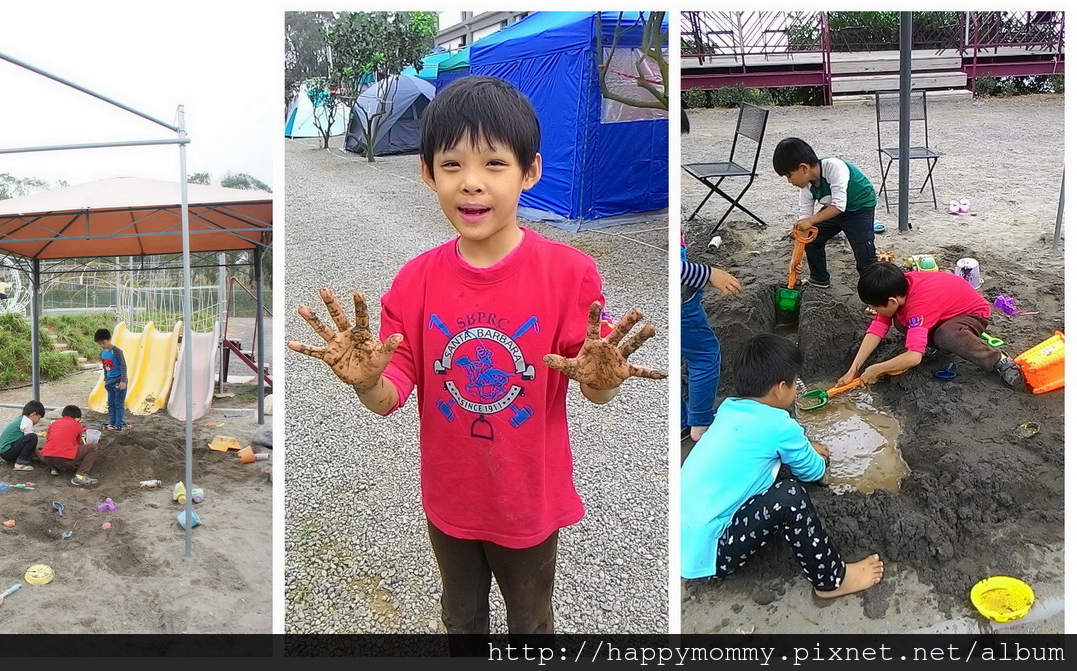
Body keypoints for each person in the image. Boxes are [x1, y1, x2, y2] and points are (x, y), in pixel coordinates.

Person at [287, 75, 666, 638]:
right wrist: (367, 381)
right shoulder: (415, 282)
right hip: (451, 497)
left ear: (530, 171)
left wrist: (603, 380)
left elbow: (593, 378)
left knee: (531, 620)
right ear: (426, 172)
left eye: (494, 164)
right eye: (451, 165)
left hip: (527, 499)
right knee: (461, 616)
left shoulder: (568, 274)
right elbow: (389, 393)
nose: (471, 184)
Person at [681, 334, 884, 598]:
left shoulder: (728, 410)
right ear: (779, 388)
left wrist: (804, 445)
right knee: (789, 496)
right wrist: (818, 457)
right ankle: (831, 580)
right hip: (711, 552)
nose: (797, 389)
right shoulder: (780, 426)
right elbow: (813, 473)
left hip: (683, 538)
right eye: (795, 383)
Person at [841, 262, 1024, 389]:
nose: (872, 310)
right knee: (902, 321)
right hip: (942, 313)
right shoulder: (896, 288)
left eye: (874, 306)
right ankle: (933, 344)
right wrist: (853, 370)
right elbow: (876, 331)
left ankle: (998, 360)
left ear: (891, 301)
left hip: (972, 313)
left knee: (946, 335)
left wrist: (876, 369)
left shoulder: (919, 305)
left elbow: (914, 358)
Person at [772, 137, 878, 289]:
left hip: (860, 207)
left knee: (864, 253)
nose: (789, 181)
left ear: (803, 168)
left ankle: (875, 294)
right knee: (811, 239)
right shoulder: (806, 188)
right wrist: (795, 260)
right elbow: (804, 226)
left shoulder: (834, 167)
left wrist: (810, 221)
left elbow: (838, 206)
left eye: (789, 175)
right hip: (833, 209)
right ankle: (819, 279)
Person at [680, 239, 742, 442]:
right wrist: (709, 274)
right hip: (682, 303)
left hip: (684, 296)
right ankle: (701, 424)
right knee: (705, 354)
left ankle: (681, 421)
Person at [41, 405, 100, 486]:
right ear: (77, 418)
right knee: (92, 447)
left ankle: (54, 468)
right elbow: (77, 443)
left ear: (62, 415)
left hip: (47, 458)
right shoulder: (77, 425)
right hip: (63, 460)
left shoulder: (53, 424)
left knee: (55, 447)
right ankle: (81, 476)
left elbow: (49, 439)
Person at [94, 328, 128, 431]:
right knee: (111, 403)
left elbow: (123, 365)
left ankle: (118, 424)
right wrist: (106, 378)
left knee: (118, 403)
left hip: (118, 381)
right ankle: (112, 422)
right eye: (100, 344)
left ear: (109, 339)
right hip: (109, 381)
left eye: (103, 343)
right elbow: (105, 366)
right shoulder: (103, 352)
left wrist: (123, 381)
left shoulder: (116, 351)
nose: (102, 345)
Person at [0, 400, 45, 471]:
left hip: (3, 451)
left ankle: (22, 458)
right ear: (33, 414)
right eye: (39, 418)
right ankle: (21, 463)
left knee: (29, 438)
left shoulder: (22, 419)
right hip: (7, 452)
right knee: (32, 437)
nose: (38, 421)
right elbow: (30, 440)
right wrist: (40, 456)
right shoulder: (27, 421)